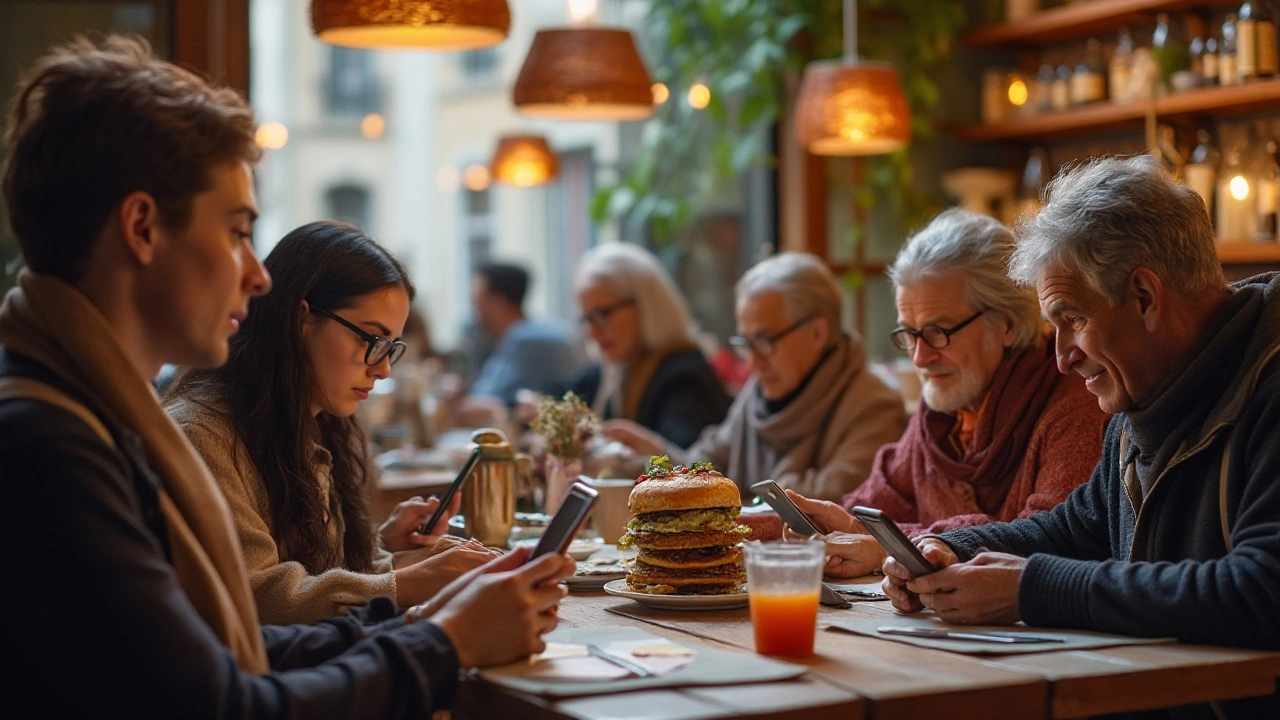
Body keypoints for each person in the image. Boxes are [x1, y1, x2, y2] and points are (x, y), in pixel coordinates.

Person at [0, 36, 572, 718]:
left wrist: (417, 619)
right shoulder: (49, 447)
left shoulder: (90, 416)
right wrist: (441, 641)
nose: (258, 273)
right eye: (238, 230)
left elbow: (227, 655)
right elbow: (227, 705)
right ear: (143, 227)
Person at [883, 156, 1280, 716]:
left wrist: (1032, 590)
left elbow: (1261, 591)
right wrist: (955, 551)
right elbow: (1078, 528)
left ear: (1145, 296)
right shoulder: (1140, 396)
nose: (1062, 357)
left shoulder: (1269, 385)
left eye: (1071, 319)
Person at [166, 220, 496, 625]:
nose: (384, 370)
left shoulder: (319, 424)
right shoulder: (202, 435)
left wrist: (382, 550)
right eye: (370, 340)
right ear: (301, 318)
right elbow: (255, 595)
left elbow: (310, 573)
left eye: (391, 347)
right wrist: (405, 581)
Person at [784, 209, 1109, 577]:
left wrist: (882, 545)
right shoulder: (941, 412)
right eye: (909, 334)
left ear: (1005, 323)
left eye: (939, 332)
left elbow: (1047, 542)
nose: (921, 357)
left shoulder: (1076, 404)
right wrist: (839, 523)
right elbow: (875, 506)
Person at [609, 252, 907, 502]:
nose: (752, 360)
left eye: (764, 341)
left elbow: (832, 500)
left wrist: (724, 491)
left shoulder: (875, 407)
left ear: (817, 333)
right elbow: (701, 468)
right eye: (745, 343)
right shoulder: (759, 393)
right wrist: (651, 453)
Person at [565, 242, 730, 448]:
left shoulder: (685, 375)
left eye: (601, 315)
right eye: (587, 319)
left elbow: (687, 463)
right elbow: (559, 398)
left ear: (646, 305)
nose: (591, 332)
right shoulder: (610, 371)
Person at [462, 262, 579, 410]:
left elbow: (487, 398)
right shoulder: (537, 332)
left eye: (477, 304)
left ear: (499, 302)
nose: (475, 317)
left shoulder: (528, 339)